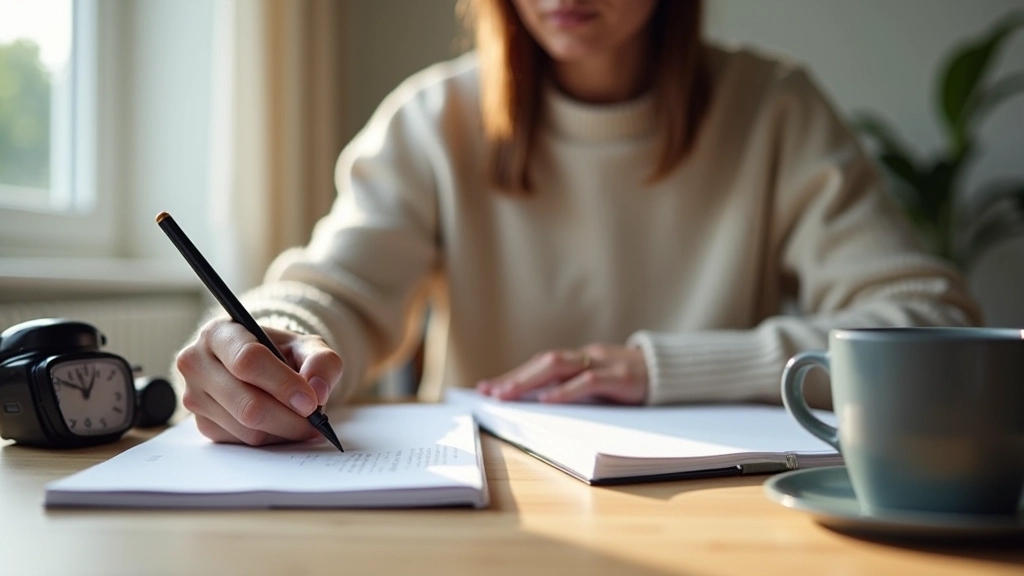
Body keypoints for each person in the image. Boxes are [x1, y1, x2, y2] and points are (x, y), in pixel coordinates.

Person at [175, 0, 981, 446]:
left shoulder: (776, 111)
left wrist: (660, 368)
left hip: (724, 517)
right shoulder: (434, 119)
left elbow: (929, 324)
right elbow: (335, 290)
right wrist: (273, 339)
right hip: (490, 514)